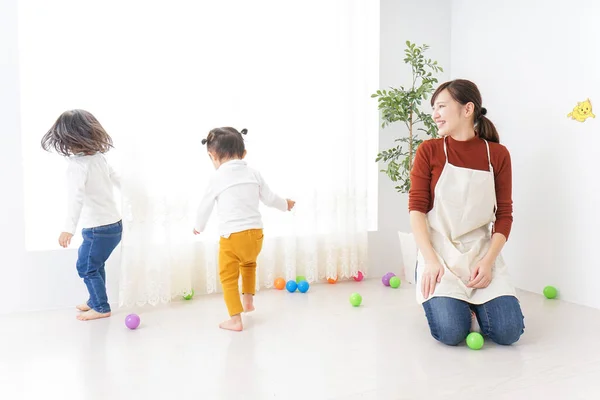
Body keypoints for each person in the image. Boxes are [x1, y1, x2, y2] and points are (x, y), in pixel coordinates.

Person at [409, 79, 525, 346]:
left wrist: (487, 262)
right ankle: (452, 303)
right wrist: (430, 261)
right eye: (433, 108)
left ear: (467, 108)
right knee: (451, 333)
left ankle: (473, 305)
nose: (435, 114)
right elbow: (416, 210)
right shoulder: (430, 150)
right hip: (439, 252)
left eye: (441, 106)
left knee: (508, 333)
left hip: (480, 253)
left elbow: (504, 215)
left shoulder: (497, 154)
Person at [194, 127, 295, 331]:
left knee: (228, 277)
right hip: (256, 235)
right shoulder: (254, 173)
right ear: (244, 154)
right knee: (248, 264)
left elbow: (205, 206)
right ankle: (248, 301)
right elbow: (270, 198)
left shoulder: (217, 178)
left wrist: (199, 226)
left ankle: (235, 319)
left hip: (232, 237)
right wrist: (285, 204)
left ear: (212, 155)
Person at [41, 109, 122, 321]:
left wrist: (68, 229)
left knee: (85, 267)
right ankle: (94, 299)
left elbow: (75, 199)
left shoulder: (77, 166)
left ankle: (101, 307)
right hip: (114, 226)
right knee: (96, 264)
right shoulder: (99, 158)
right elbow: (117, 179)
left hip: (97, 229)